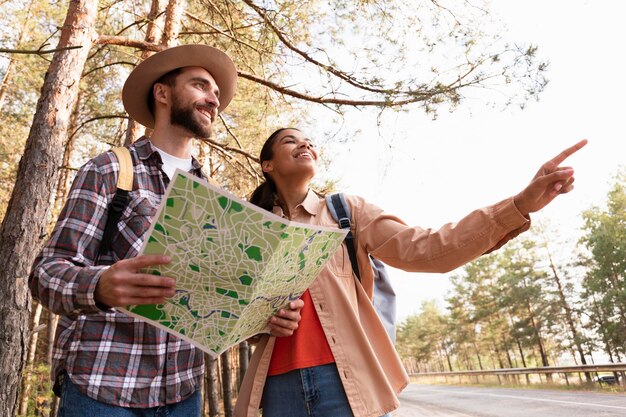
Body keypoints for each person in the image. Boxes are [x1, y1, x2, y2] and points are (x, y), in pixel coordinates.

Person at [233, 127, 588, 417]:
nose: (304, 143)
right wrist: (262, 322)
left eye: (308, 140)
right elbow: (229, 313)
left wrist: (519, 205)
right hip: (276, 388)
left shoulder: (346, 212)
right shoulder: (249, 231)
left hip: (345, 382)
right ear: (267, 164)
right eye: (290, 140)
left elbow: (430, 249)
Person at [28, 45, 303, 417]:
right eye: (201, 86)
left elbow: (218, 307)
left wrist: (262, 319)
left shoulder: (217, 201)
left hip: (184, 393)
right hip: (104, 389)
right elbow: (46, 273)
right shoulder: (111, 170)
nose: (213, 99)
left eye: (217, 94)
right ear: (162, 93)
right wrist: (99, 286)